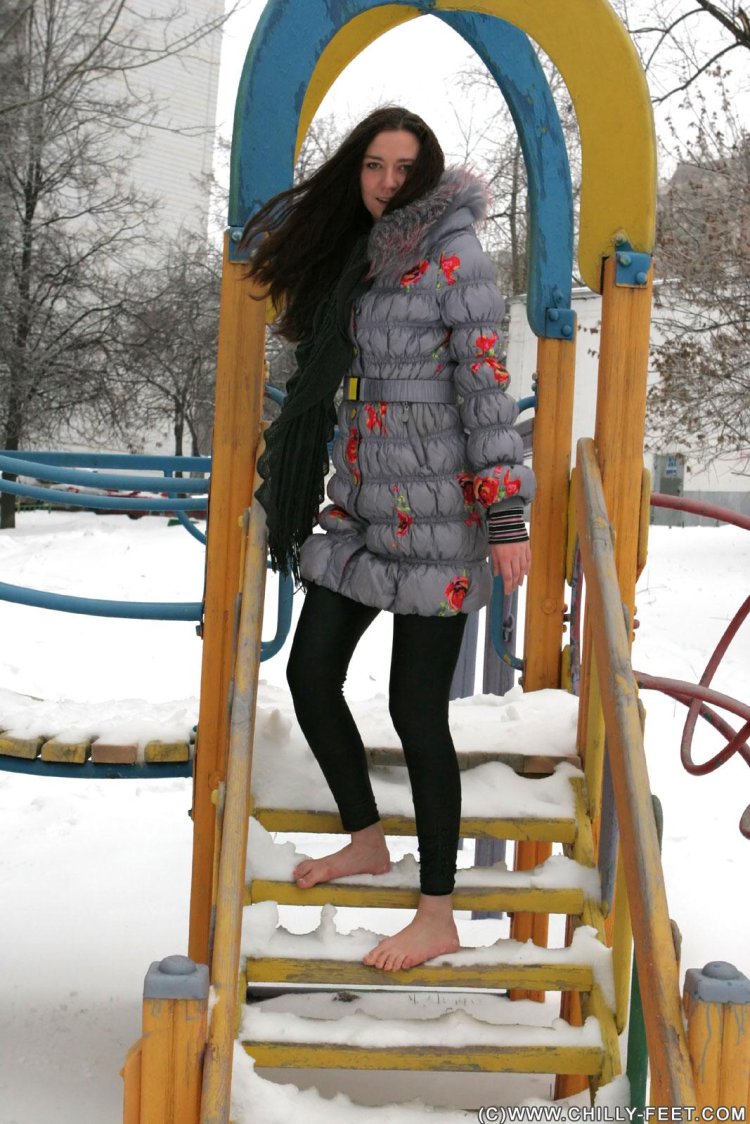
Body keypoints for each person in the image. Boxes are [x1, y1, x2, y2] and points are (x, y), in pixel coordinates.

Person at [243, 106, 535, 973]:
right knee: (309, 674)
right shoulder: (359, 257)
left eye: (404, 168)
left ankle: (436, 911)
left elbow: (485, 392)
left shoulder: (457, 256)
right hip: (365, 512)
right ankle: (365, 839)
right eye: (373, 164)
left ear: (428, 173)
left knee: (417, 713)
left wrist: (505, 516)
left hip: (442, 521)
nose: (386, 182)